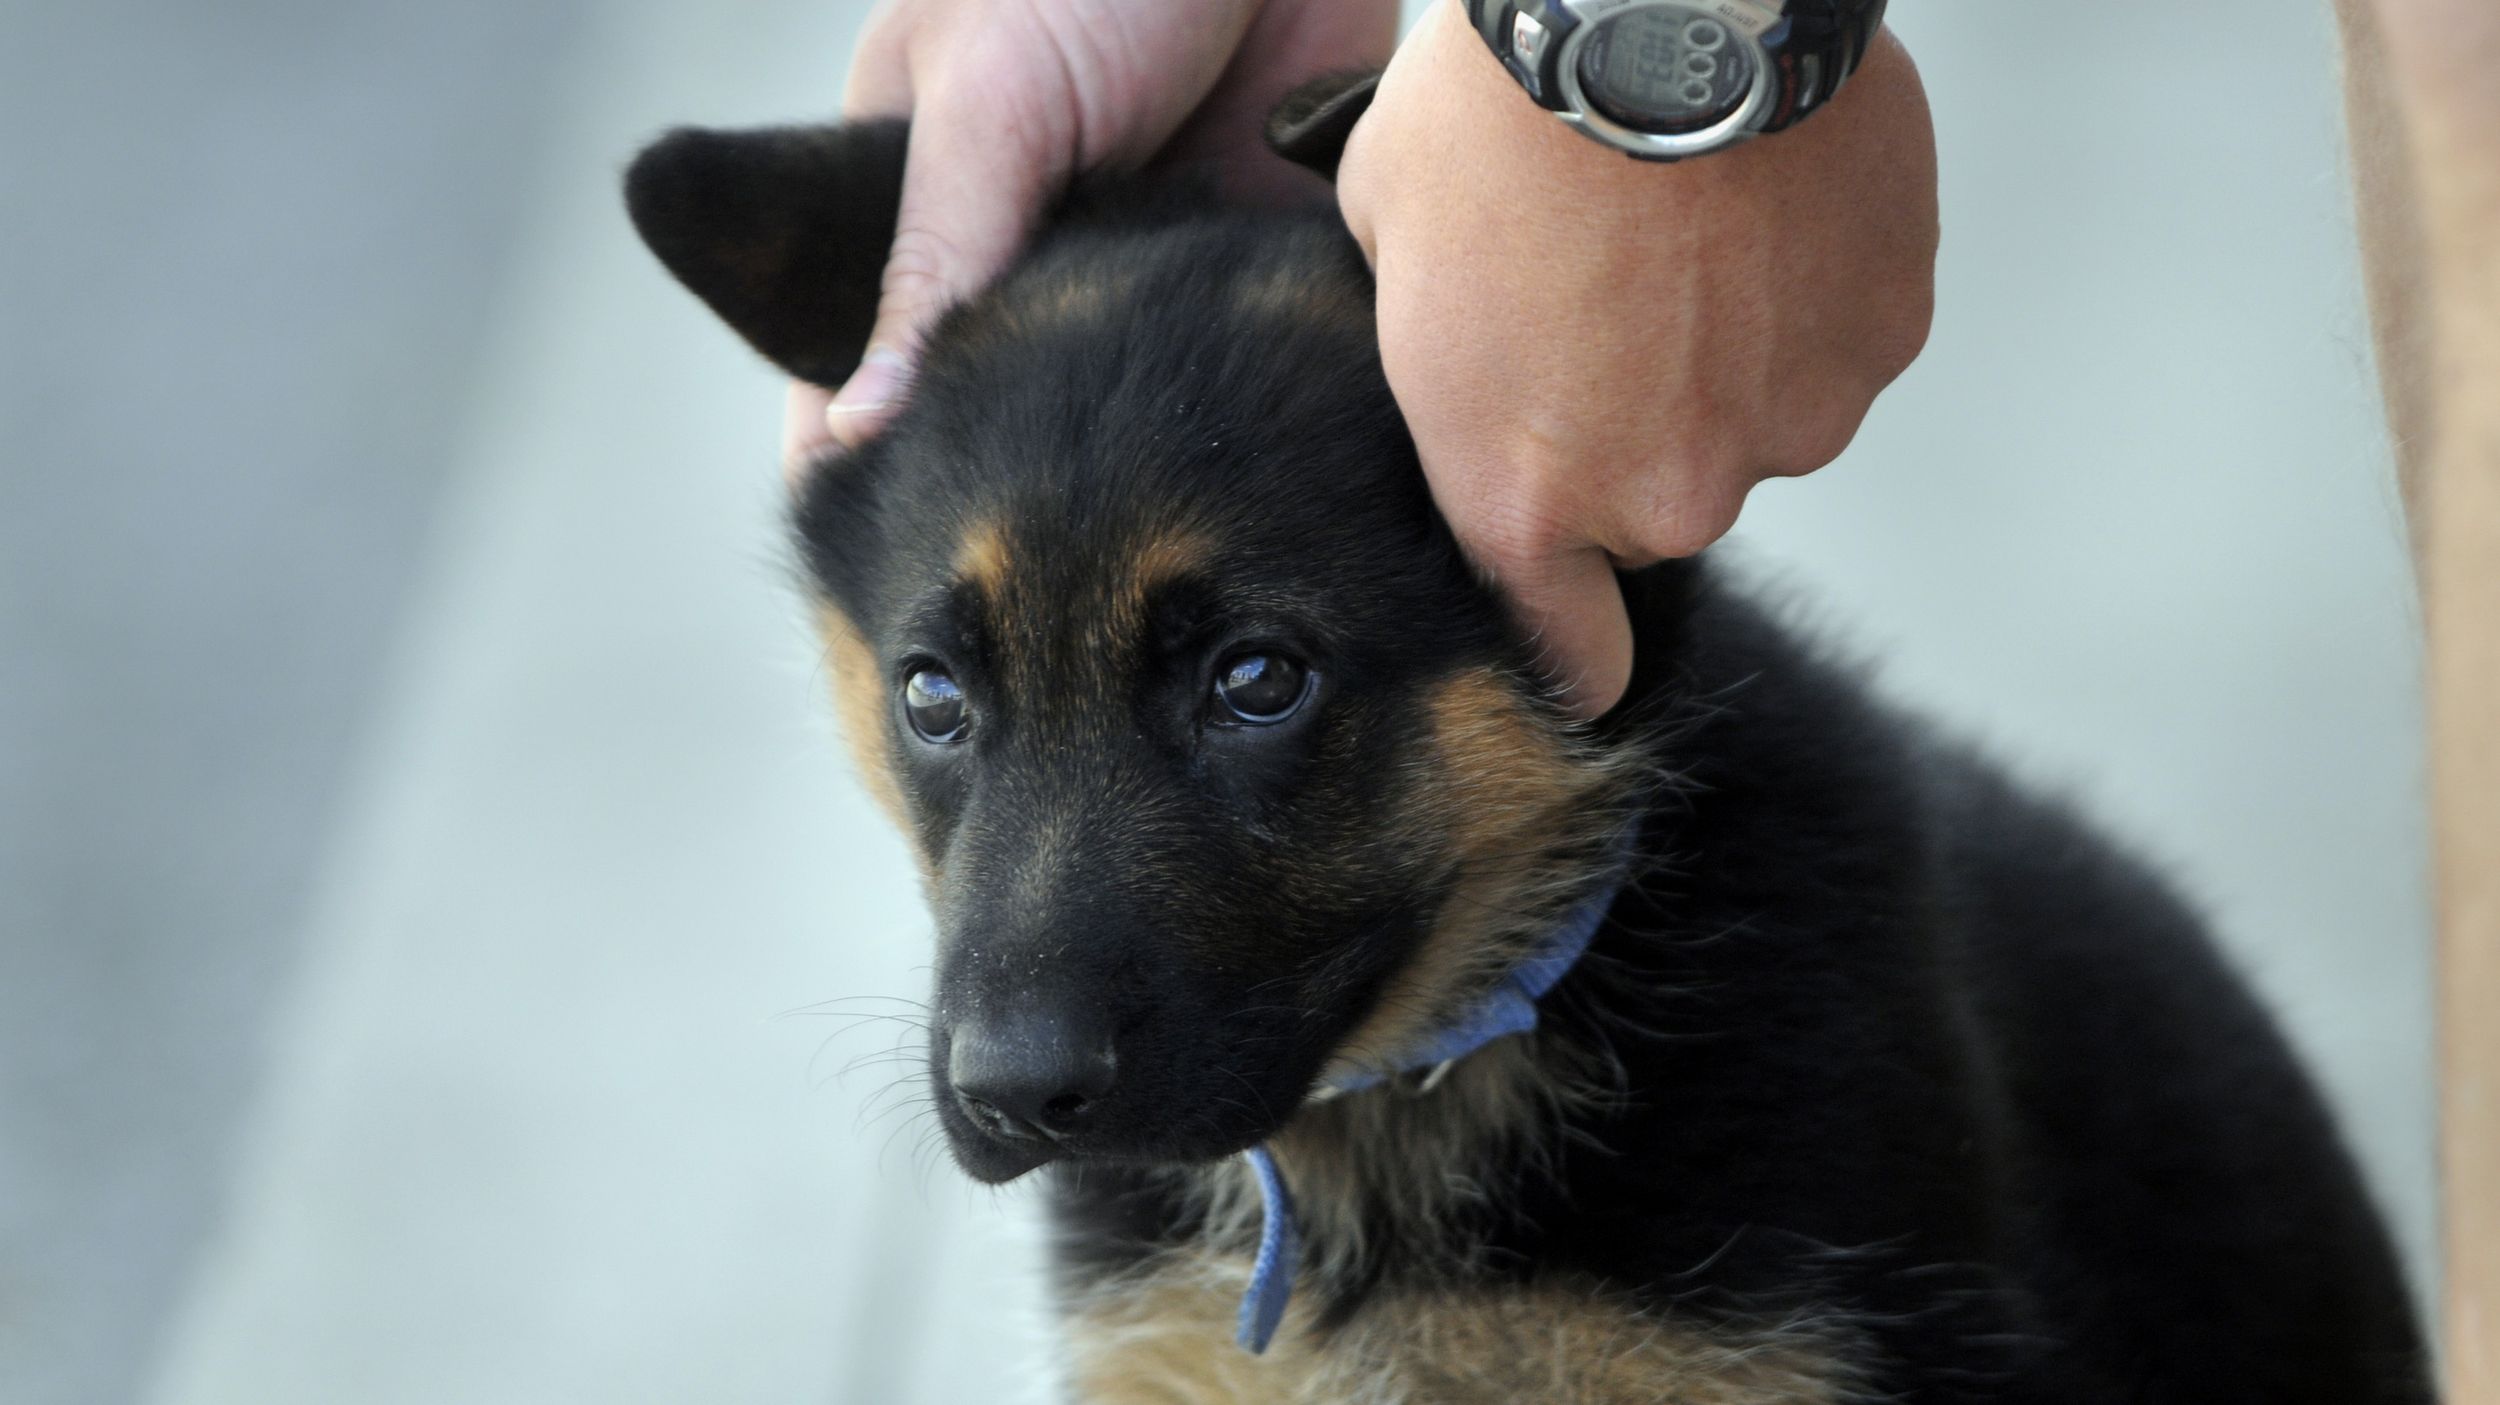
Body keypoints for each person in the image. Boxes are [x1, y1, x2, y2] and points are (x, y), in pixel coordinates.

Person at [799, 1, 2495, 1393]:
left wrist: (1620, 58)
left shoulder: (1792, 1043)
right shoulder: (1146, 1121)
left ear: (1557, 550)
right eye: (946, 695)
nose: (1012, 1032)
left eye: (1253, 680)